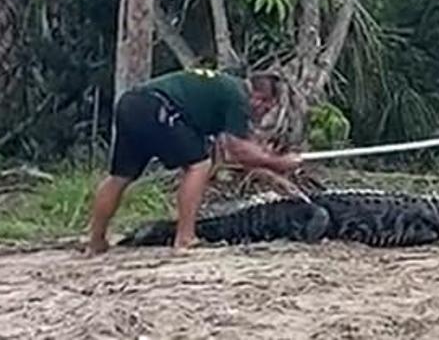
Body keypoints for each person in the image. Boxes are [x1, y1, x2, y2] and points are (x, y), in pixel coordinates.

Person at [86, 68, 303, 255]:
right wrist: (279, 162)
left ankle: (96, 242)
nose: (262, 112)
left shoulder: (224, 89)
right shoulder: (238, 97)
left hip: (131, 103)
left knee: (120, 176)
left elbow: (228, 153)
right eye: (265, 107)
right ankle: (185, 238)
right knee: (199, 165)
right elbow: (237, 151)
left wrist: (270, 163)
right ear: (258, 97)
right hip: (157, 106)